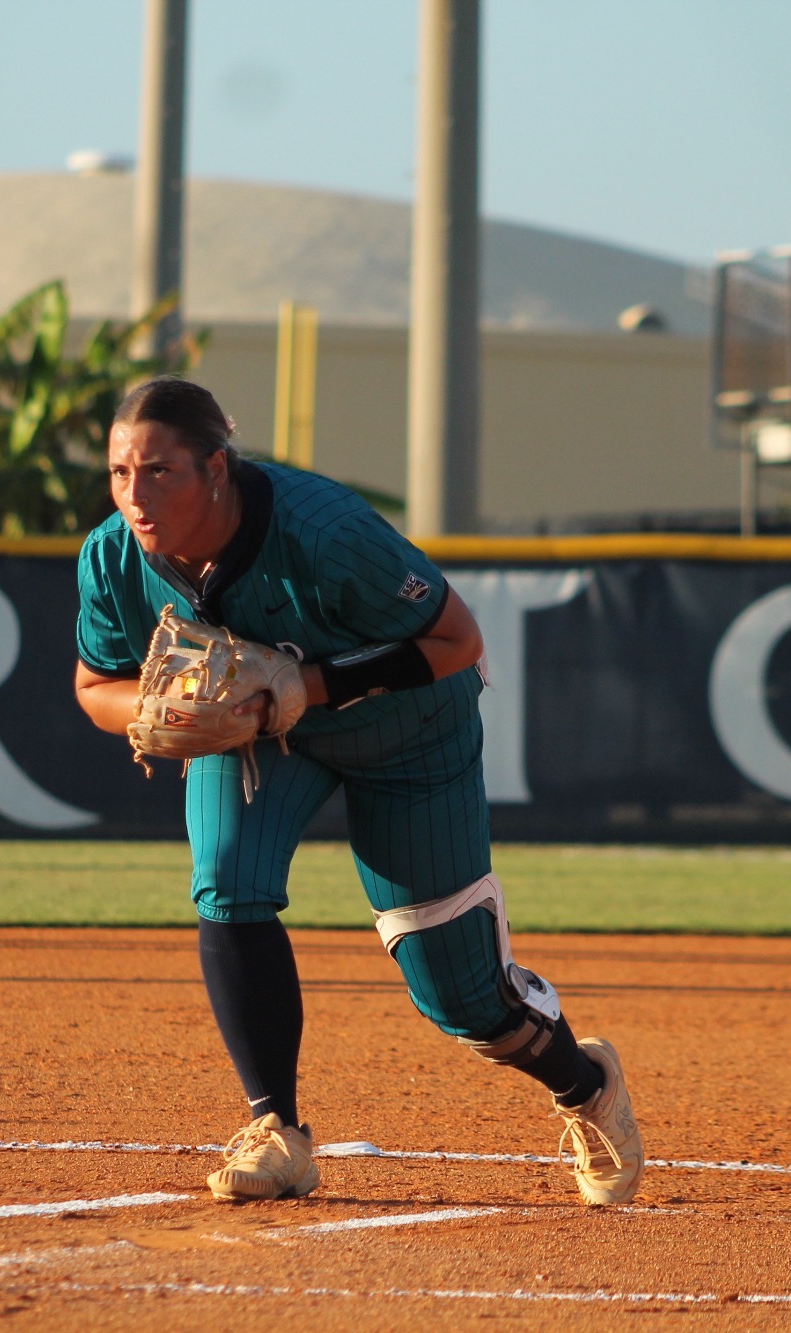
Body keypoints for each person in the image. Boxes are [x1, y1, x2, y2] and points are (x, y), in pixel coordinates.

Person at [72, 378, 643, 1206]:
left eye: (159, 471)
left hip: (407, 727)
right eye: (121, 472)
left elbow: (456, 638)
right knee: (227, 878)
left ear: (218, 469)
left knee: (462, 995)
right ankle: (278, 1129)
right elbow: (96, 684)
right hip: (259, 731)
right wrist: (155, 713)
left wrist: (305, 682)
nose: (135, 494)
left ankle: (585, 1082)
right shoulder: (114, 555)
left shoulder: (323, 531)